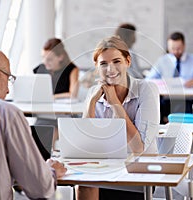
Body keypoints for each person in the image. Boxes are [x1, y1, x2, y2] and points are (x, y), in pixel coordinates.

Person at [0, 44, 67, 200]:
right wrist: (50, 171)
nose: (8, 90)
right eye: (8, 78)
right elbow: (41, 189)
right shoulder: (4, 113)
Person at [76, 36, 160, 200]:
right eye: (103, 64)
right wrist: (91, 103)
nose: (110, 69)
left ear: (127, 61)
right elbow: (83, 145)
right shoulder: (94, 92)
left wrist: (115, 102)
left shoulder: (146, 89)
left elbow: (138, 148)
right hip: (106, 168)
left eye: (116, 61)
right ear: (96, 67)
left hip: (138, 172)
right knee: (84, 185)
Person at [146, 31, 193, 123]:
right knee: (156, 107)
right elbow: (149, 79)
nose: (175, 51)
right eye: (172, 48)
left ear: (184, 46)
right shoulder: (162, 60)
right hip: (167, 99)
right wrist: (161, 83)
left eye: (178, 48)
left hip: (188, 99)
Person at [33, 38, 80, 146]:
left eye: (49, 59)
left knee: (50, 130)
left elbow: (72, 94)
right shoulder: (40, 69)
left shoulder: (72, 69)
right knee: (37, 129)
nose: (45, 62)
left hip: (63, 115)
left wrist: (52, 97)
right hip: (45, 114)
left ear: (60, 57)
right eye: (43, 58)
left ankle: (49, 159)